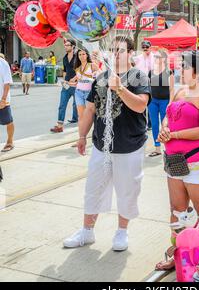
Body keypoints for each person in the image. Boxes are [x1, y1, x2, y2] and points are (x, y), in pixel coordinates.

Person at [63, 36, 151, 251]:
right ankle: (87, 231)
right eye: (113, 50)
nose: (116, 54)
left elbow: (140, 106)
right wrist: (82, 136)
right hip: (101, 145)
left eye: (120, 50)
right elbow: (90, 110)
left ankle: (122, 232)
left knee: (127, 189)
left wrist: (120, 88)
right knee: (93, 188)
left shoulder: (138, 76)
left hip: (129, 145)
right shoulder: (100, 77)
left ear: (130, 53)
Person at [155, 50, 199, 270]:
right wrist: (164, 129)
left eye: (184, 66)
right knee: (177, 210)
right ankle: (179, 255)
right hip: (174, 161)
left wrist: (173, 135)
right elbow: (167, 116)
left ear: (198, 70)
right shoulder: (180, 90)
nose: (180, 69)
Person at [148, 48, 174, 157]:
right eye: (155, 56)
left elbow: (172, 89)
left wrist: (170, 103)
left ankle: (168, 148)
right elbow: (148, 87)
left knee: (165, 126)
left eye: (158, 57)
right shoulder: (151, 72)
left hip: (165, 101)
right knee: (154, 124)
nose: (156, 59)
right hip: (153, 102)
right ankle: (157, 148)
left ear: (163, 59)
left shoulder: (169, 72)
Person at [50, 39, 78, 133]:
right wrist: (64, 80)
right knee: (62, 105)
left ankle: (78, 123)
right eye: (65, 45)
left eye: (67, 45)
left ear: (73, 46)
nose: (65, 47)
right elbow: (65, 70)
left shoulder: (78, 56)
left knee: (78, 105)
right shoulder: (65, 58)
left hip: (76, 85)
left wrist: (75, 78)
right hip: (66, 85)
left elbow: (82, 69)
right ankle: (59, 125)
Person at [70, 48, 99, 122]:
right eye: (79, 54)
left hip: (89, 92)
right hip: (78, 92)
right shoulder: (77, 68)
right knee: (81, 115)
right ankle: (82, 132)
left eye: (83, 54)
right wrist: (70, 83)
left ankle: (92, 131)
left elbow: (101, 76)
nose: (81, 56)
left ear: (87, 55)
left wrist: (95, 75)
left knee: (90, 114)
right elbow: (79, 81)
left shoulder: (92, 65)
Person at [134, 40, 155, 130]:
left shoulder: (154, 57)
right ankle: (142, 123)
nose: (145, 49)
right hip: (140, 82)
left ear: (150, 47)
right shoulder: (138, 58)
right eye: (143, 47)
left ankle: (150, 124)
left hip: (152, 82)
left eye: (147, 47)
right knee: (141, 103)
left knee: (150, 103)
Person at [0, 55, 14, 152]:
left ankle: (10, 141)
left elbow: (7, 83)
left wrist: (3, 99)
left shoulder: (3, 63)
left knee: (8, 121)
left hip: (2, 98)